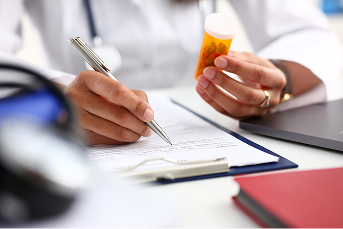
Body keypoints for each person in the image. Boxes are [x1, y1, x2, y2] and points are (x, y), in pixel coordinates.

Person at [0, 0, 342, 145]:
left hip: (210, 130)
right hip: (79, 150)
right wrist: (56, 96)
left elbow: (307, 34)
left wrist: (277, 77)